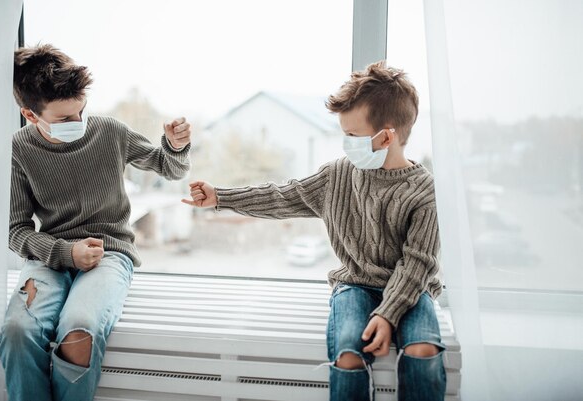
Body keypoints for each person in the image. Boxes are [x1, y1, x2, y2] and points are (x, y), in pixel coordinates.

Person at [182, 61, 446, 401]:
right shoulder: (337, 176)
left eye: (352, 135)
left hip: (412, 288)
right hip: (355, 285)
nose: (346, 144)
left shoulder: (425, 191)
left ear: (386, 136)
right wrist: (221, 197)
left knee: (423, 350)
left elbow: (417, 264)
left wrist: (388, 313)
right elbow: (281, 196)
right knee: (348, 354)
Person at [0, 44, 192, 401]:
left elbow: (169, 167)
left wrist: (176, 146)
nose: (79, 123)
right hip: (49, 258)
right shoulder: (18, 150)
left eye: (82, 111)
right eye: (64, 119)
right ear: (29, 114)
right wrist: (66, 252)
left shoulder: (110, 132)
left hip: (110, 255)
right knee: (16, 329)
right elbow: (16, 230)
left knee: (80, 329)